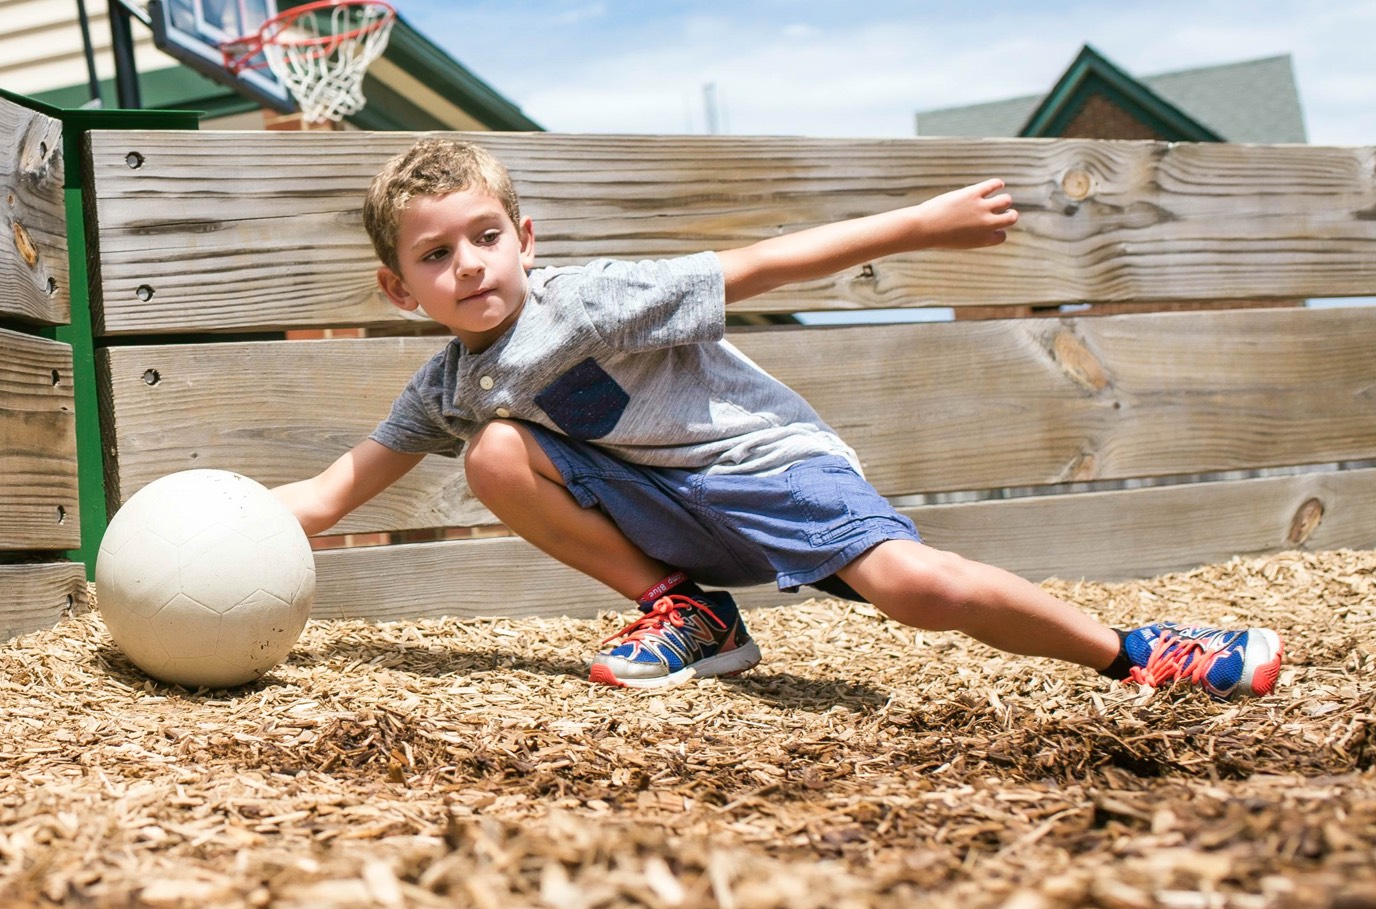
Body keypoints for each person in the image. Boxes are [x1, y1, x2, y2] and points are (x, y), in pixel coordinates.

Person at [274, 137, 1284, 698]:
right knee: (496, 453)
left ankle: (1140, 649)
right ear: (399, 287)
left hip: (770, 470)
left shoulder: (589, 300)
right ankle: (691, 611)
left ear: (524, 237)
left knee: (920, 588)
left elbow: (760, 265)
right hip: (668, 513)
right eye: (436, 256)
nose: (469, 266)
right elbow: (334, 490)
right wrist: (205, 519)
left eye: (484, 236)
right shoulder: (450, 383)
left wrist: (922, 226)